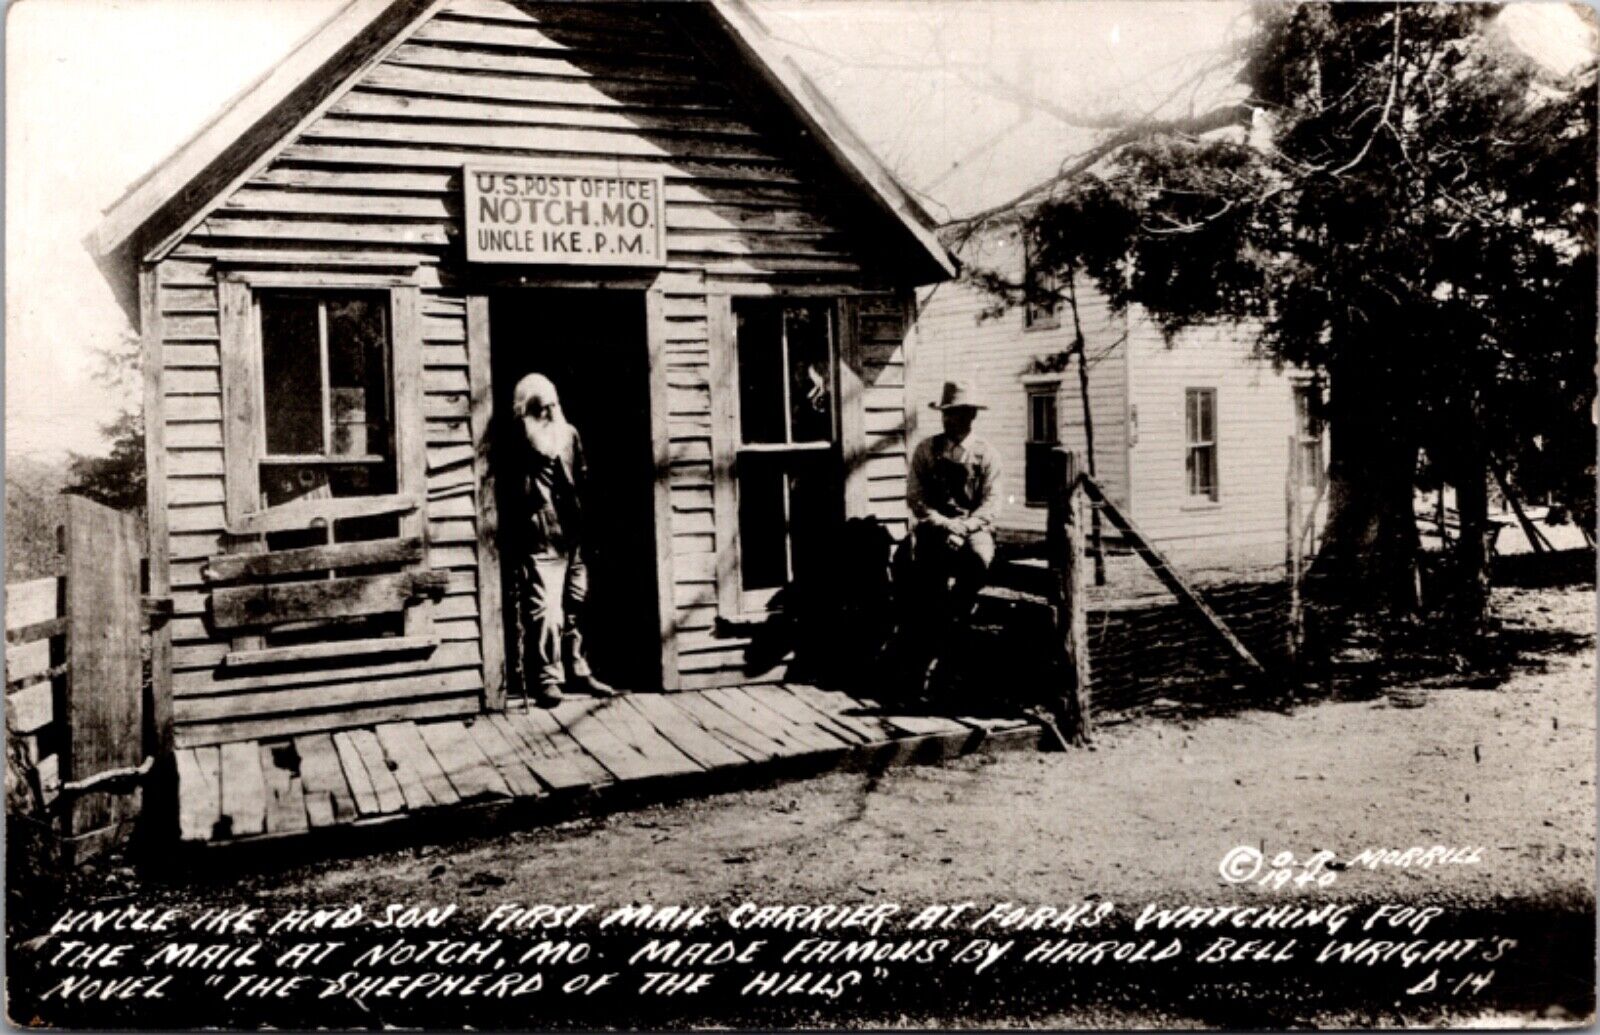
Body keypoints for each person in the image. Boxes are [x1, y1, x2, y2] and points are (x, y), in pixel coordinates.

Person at [508, 373, 619, 706]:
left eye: (553, 406)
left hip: (572, 535)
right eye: (542, 408)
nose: (550, 413)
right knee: (547, 611)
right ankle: (547, 677)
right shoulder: (520, 440)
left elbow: (582, 478)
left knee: (576, 601)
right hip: (541, 536)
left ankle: (578, 667)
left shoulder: (569, 435)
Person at [899, 380, 1001, 693]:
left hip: (973, 530)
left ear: (971, 416)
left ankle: (953, 649)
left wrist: (966, 527)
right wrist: (944, 524)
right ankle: (919, 669)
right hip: (937, 527)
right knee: (927, 584)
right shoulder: (926, 451)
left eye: (955, 414)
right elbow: (915, 498)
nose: (948, 420)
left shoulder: (986, 455)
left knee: (976, 565)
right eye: (946, 413)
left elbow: (992, 502)